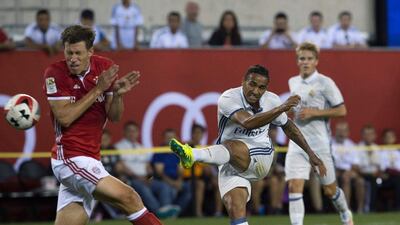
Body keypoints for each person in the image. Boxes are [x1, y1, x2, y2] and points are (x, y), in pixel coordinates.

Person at [169, 64, 326, 225]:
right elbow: (248, 123)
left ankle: (192, 155)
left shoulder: (271, 100)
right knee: (235, 209)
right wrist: (282, 108)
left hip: (261, 156)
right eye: (252, 84)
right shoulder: (228, 98)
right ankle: (192, 156)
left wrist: (311, 153)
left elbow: (289, 127)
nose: (256, 91)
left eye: (261, 87)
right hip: (230, 161)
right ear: (243, 81)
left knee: (232, 145)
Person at [43, 25, 162, 225]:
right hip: (70, 158)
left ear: (90, 52)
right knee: (129, 198)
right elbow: (64, 117)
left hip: (91, 157)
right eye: (68, 52)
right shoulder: (54, 73)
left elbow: (114, 116)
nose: (72, 58)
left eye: (78, 53)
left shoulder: (104, 67)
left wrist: (117, 95)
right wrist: (99, 89)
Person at [286, 42, 352, 225]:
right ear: (297, 61)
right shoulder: (293, 81)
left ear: (316, 61)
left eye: (309, 59)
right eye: (302, 58)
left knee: (330, 190)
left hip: (319, 144)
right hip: (297, 143)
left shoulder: (325, 82)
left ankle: (345, 212)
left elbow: (342, 110)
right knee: (294, 185)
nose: (305, 62)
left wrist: (315, 112)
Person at [115, 121, 180, 218]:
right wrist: (137, 177)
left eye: (134, 131)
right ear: (124, 132)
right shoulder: (118, 147)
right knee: (144, 189)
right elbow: (121, 166)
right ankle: (158, 212)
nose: (132, 133)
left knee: (163, 187)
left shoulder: (141, 147)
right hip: (131, 179)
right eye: (130, 131)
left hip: (145, 179)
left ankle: (166, 209)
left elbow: (147, 166)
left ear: (138, 133)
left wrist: (149, 177)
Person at [332, 121, 365, 213]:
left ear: (348, 132)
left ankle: (361, 208)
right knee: (344, 178)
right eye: (339, 131)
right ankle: (345, 209)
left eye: (344, 131)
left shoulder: (352, 145)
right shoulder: (330, 143)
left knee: (360, 181)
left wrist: (349, 171)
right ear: (335, 131)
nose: (341, 133)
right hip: (334, 171)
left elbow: (356, 165)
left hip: (349, 171)